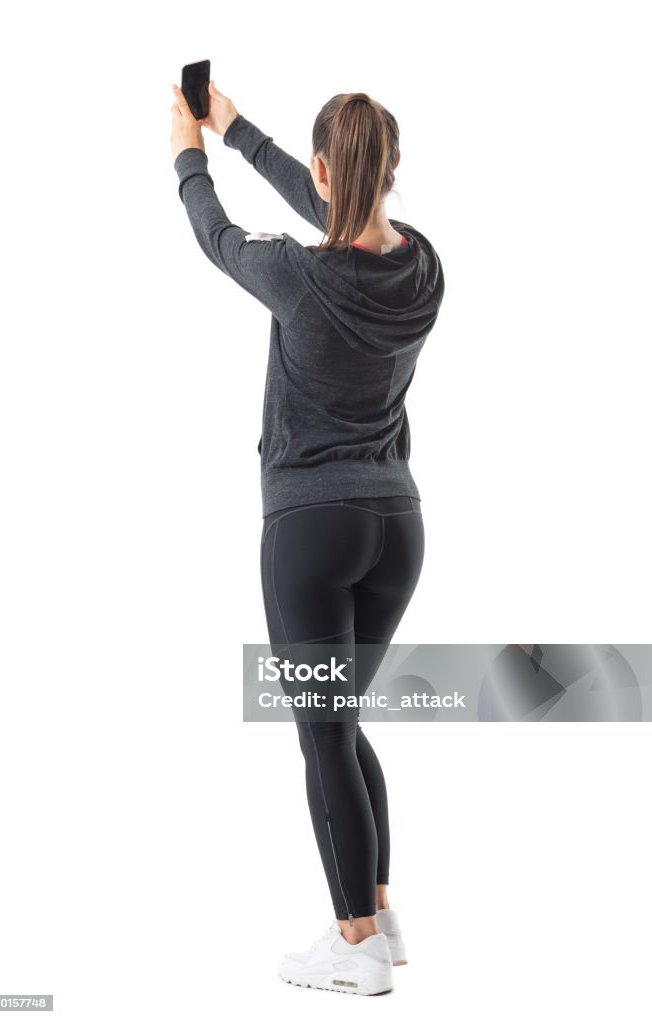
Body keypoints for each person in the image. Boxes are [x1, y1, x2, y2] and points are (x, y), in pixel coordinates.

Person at [170, 80, 445, 996]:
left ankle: (354, 942)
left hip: (310, 533)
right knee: (343, 724)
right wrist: (236, 128)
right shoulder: (425, 268)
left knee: (321, 736)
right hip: (396, 530)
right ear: (392, 167)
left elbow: (214, 235)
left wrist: (188, 153)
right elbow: (341, 211)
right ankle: (378, 911)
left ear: (325, 170)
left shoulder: (298, 276)